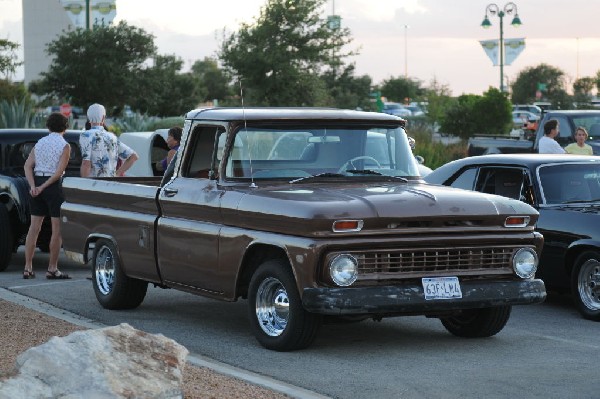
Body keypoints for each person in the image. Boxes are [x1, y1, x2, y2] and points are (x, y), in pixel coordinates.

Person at [23, 113, 72, 279]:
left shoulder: (40, 143)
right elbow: (58, 173)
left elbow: (27, 166)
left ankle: (28, 267)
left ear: (48, 127)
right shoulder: (65, 145)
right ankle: (52, 268)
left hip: (36, 183)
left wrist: (33, 186)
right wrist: (43, 186)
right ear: (65, 128)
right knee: (57, 230)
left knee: (34, 228)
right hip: (53, 187)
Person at [80, 103, 138, 177]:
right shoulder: (112, 137)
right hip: (110, 184)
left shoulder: (86, 135)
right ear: (103, 118)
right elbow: (133, 156)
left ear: (88, 117)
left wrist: (84, 183)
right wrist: (117, 173)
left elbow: (86, 164)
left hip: (94, 184)